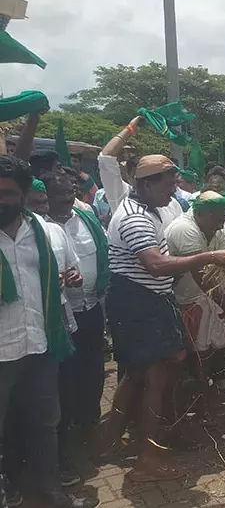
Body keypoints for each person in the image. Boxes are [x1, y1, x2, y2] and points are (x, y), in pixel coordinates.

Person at [98, 155, 225, 482]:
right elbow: (156, 265)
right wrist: (211, 256)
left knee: (135, 377)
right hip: (138, 304)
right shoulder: (134, 218)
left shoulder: (151, 210)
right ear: (145, 184)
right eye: (168, 184)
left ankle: (107, 441)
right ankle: (146, 461)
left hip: (148, 302)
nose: (174, 190)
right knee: (155, 381)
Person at [0, 155, 98, 508]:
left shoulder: (46, 231)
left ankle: (50, 489)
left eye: (7, 193)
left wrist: (67, 279)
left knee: (46, 421)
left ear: (23, 194)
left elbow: (71, 274)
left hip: (41, 344)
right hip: (1, 349)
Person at [42, 171, 109, 485]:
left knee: (94, 369)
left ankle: (89, 423)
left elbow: (100, 253)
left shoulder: (86, 216)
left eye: (70, 195)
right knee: (66, 377)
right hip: (59, 318)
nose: (67, 202)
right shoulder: (43, 230)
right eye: (59, 197)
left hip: (91, 309)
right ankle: (65, 433)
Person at [165, 191, 225, 413]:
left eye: (223, 220)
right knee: (197, 354)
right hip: (186, 299)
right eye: (217, 220)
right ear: (200, 214)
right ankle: (199, 402)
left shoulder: (218, 228)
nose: (221, 227)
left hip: (211, 299)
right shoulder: (184, 229)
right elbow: (202, 275)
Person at [97, 116, 183, 230]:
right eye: (138, 173)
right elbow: (106, 157)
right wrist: (129, 129)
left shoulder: (172, 204)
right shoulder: (123, 198)